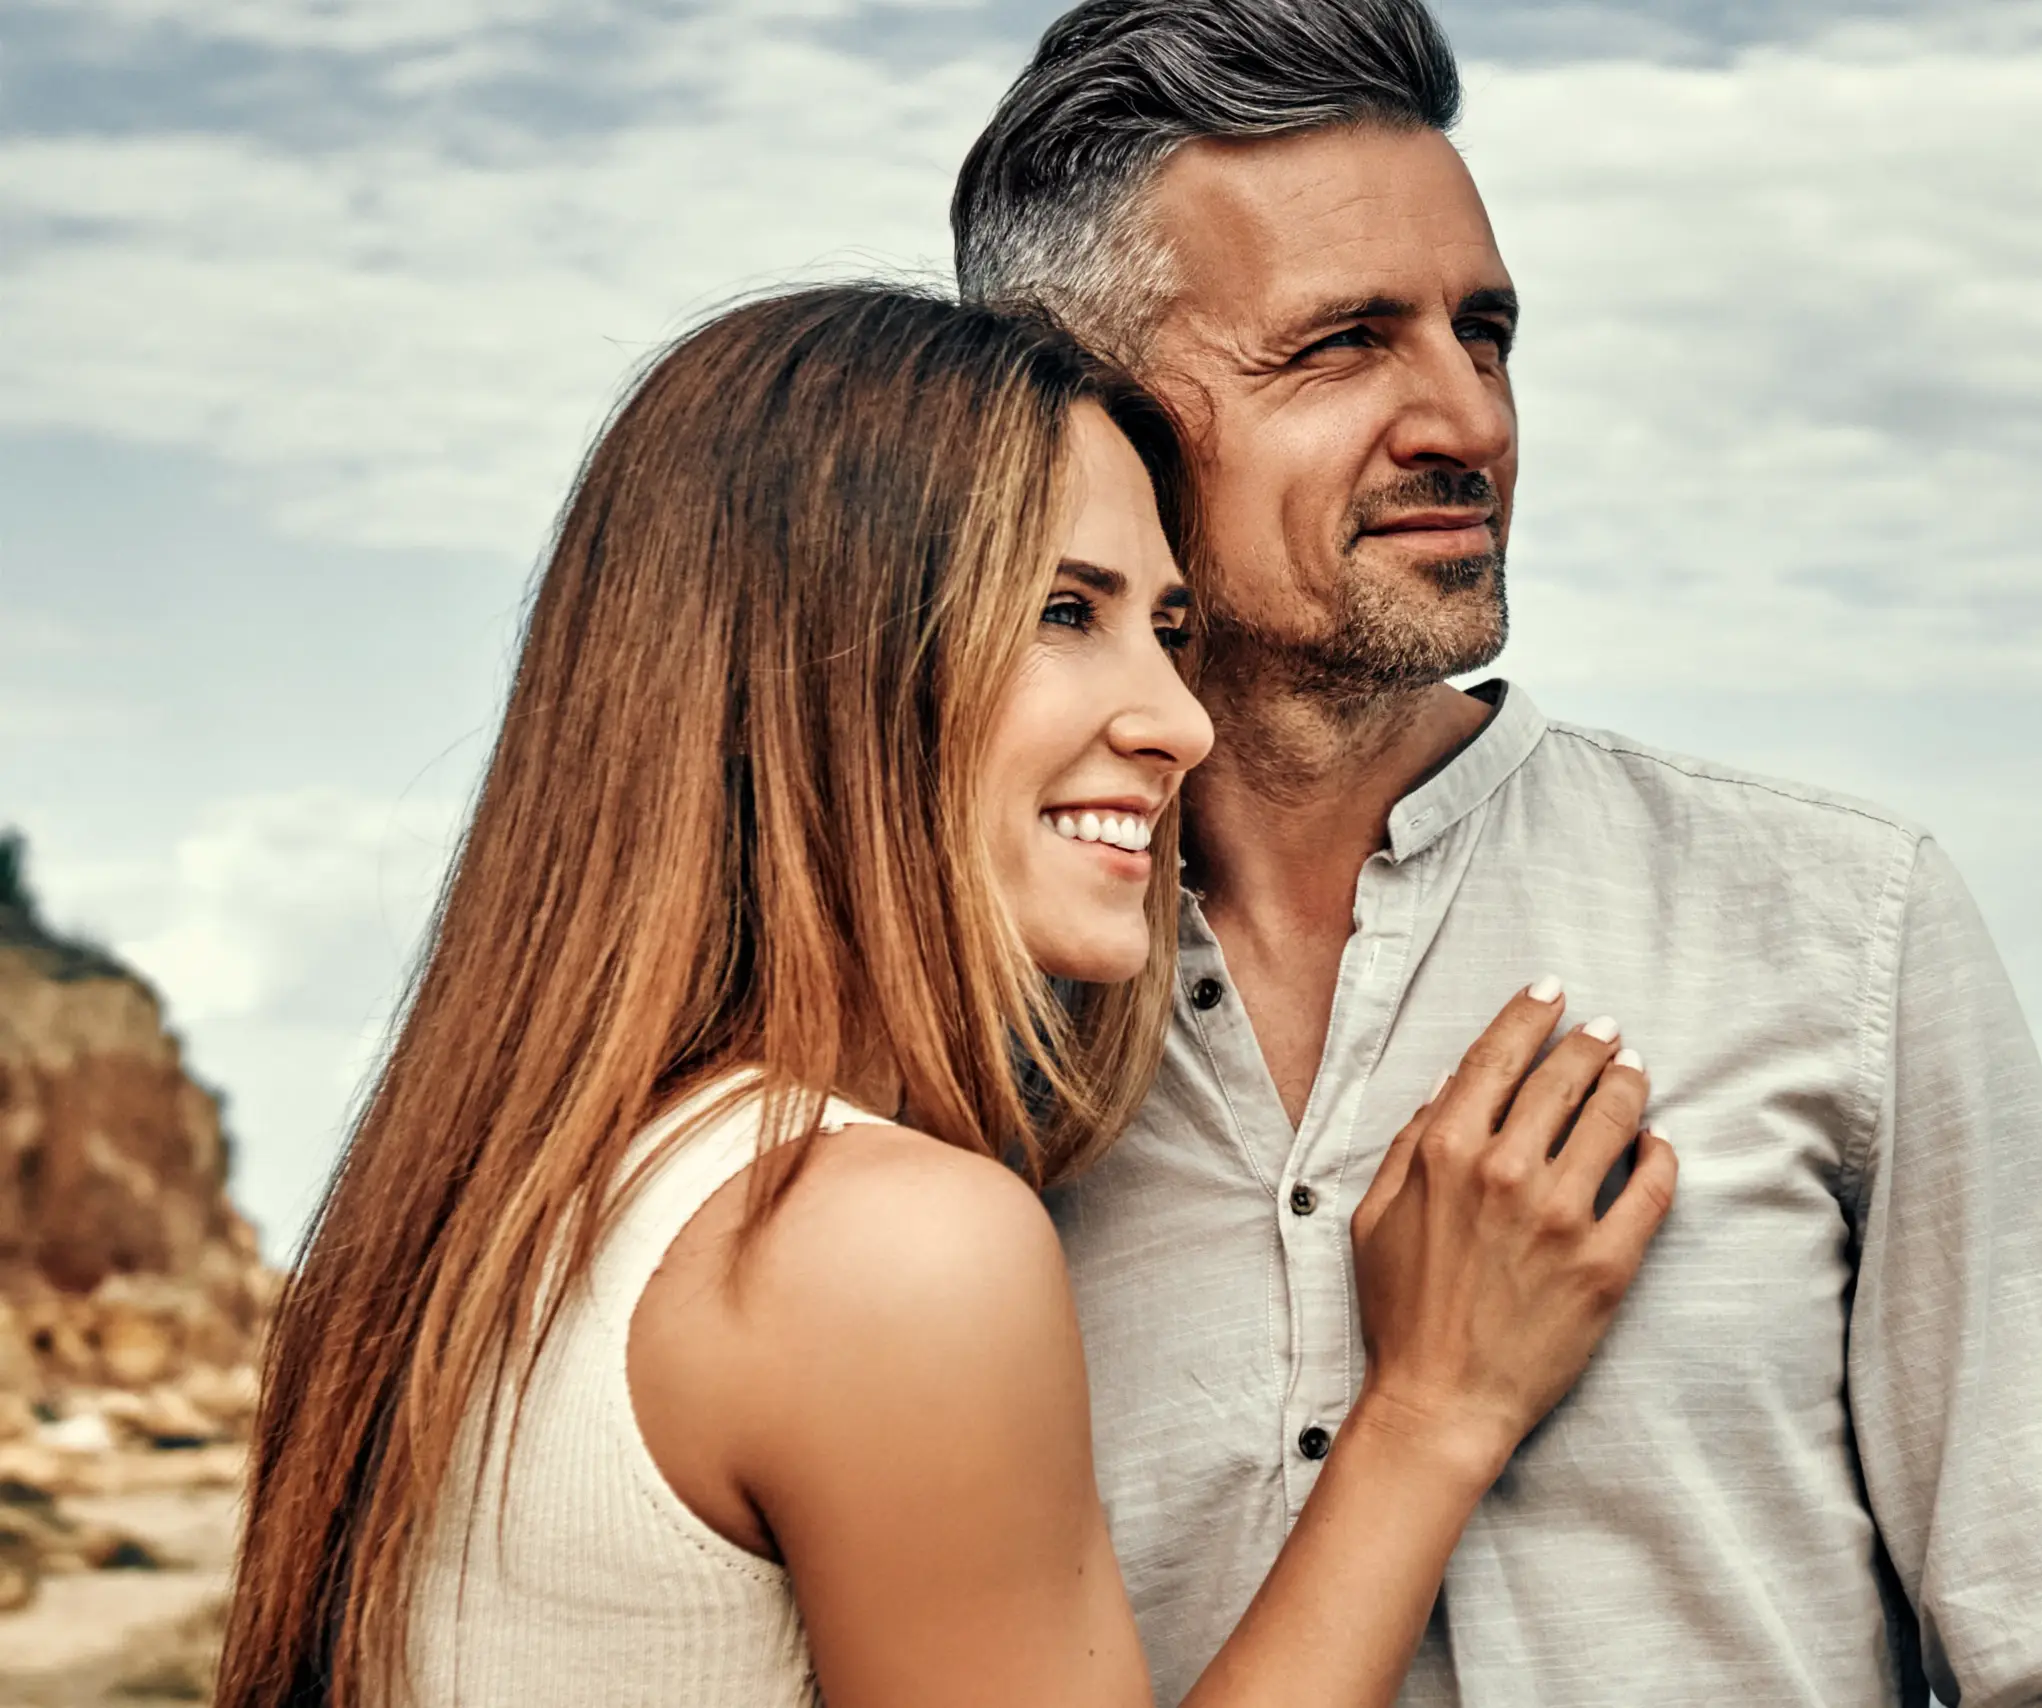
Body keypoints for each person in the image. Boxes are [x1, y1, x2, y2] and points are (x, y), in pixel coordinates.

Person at [953, 3, 2042, 1704]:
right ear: (1088, 415)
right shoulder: (938, 1028)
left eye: (1483, 333)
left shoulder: (1840, 923)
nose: (1464, 422)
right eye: (1341, 346)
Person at [213, 286, 1678, 1708]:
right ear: (805, 661)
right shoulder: (873, 1245)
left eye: (1167, 629)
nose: (1179, 722)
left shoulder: (492, 1220)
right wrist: (1434, 1412)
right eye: (1061, 610)